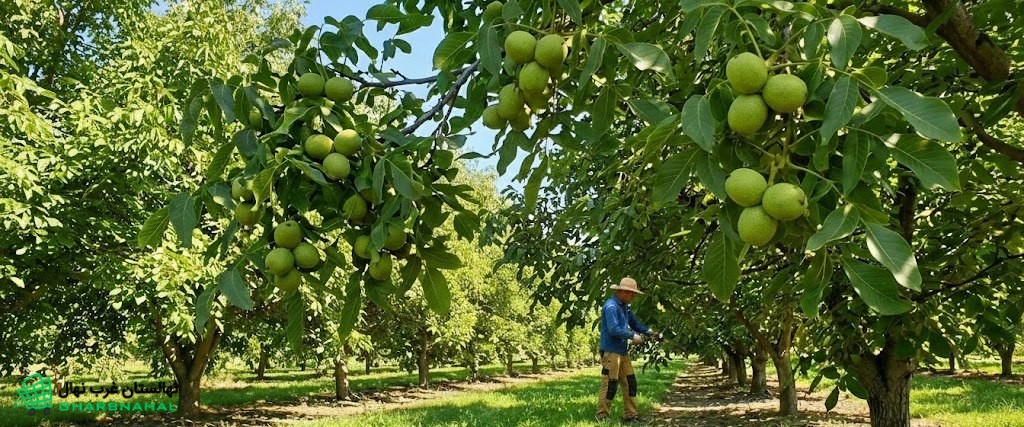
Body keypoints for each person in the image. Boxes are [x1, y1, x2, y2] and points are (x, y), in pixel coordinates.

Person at [596, 277, 658, 422]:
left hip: (622, 351)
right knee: (610, 383)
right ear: (622, 292)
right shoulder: (611, 307)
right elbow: (613, 329)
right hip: (611, 352)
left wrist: (649, 332)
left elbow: (635, 323)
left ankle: (630, 415)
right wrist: (632, 336)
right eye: (631, 294)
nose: (633, 296)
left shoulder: (624, 306)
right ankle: (602, 416)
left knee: (630, 382)